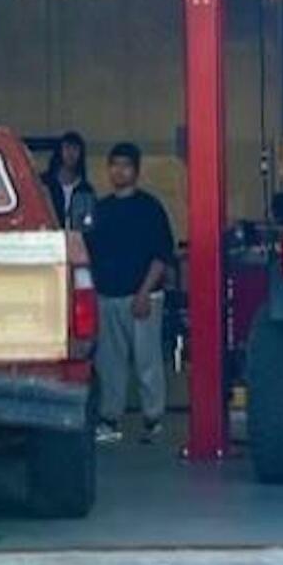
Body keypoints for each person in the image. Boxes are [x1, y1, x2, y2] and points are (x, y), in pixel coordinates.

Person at [88, 142, 175, 445]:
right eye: (114, 164)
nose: (118, 170)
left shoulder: (150, 208)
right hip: (107, 297)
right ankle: (109, 419)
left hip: (144, 297)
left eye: (125, 165)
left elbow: (161, 255)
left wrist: (144, 292)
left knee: (147, 361)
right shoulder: (101, 209)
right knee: (109, 363)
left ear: (136, 171)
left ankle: (153, 419)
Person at [42, 131, 96, 230]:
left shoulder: (85, 189)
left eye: (75, 149)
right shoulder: (44, 184)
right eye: (67, 148)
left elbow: (88, 223)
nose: (71, 153)